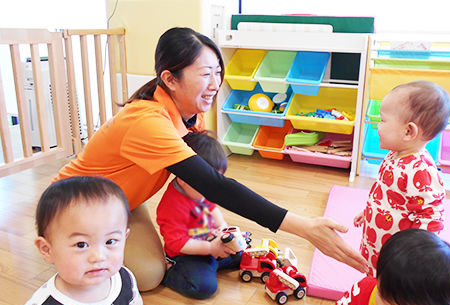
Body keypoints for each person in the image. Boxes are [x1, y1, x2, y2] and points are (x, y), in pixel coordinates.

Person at [54, 27, 367, 291]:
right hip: (76, 204)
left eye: (218, 72)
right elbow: (215, 185)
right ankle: (62, 240)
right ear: (170, 79)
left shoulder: (191, 117)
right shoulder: (147, 121)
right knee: (149, 277)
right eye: (206, 74)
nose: (216, 84)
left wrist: (215, 228)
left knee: (150, 271)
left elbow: (204, 188)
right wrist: (305, 226)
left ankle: (113, 232)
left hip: (123, 200)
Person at [11, 176, 148, 305]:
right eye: (81, 244)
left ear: (125, 238)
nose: (98, 256)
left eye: (110, 241)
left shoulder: (125, 279)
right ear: (47, 249)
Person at [354, 81, 450, 276]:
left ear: (408, 131)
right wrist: (369, 211)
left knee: (389, 288)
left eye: (382, 120)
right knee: (374, 277)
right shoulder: (395, 154)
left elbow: (431, 217)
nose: (377, 125)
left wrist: (415, 254)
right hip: (378, 242)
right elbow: (385, 192)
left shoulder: (420, 170)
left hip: (398, 257)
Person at [156, 130, 242, 299]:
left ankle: (214, 264)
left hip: (210, 244)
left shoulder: (200, 189)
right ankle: (170, 274)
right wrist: (211, 248)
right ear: (183, 178)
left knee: (241, 254)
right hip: (187, 256)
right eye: (208, 184)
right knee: (205, 287)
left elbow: (212, 208)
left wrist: (223, 229)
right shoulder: (171, 207)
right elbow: (177, 243)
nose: (212, 190)